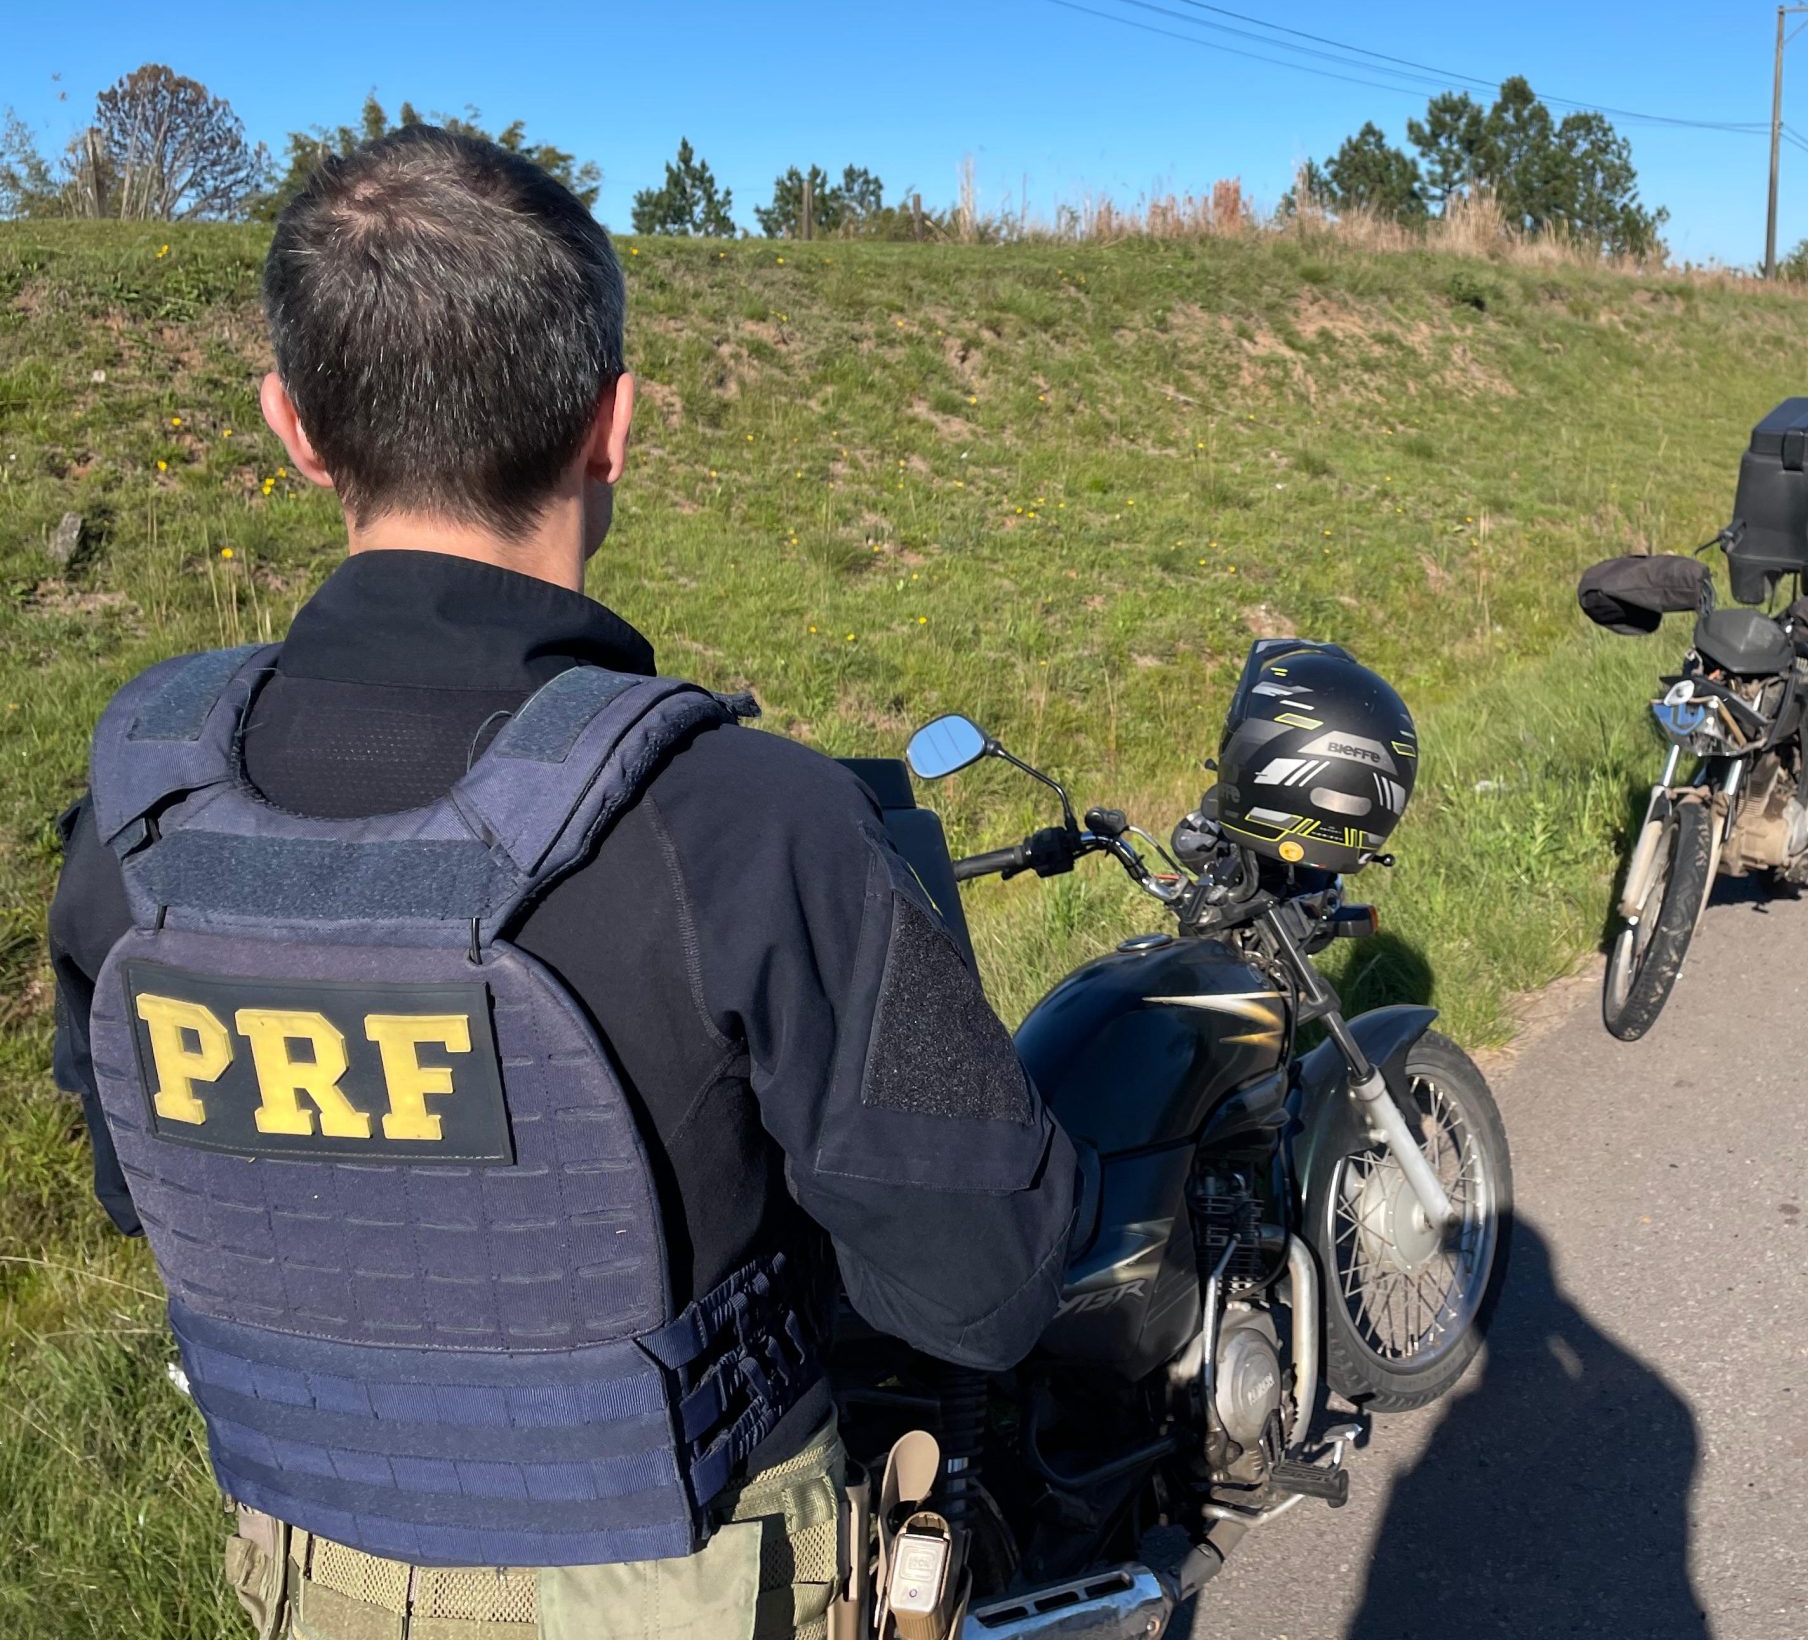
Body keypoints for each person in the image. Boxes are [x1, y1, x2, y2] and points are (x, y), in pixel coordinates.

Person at [47, 126, 1076, 1638]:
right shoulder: (750, 821)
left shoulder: (138, 819)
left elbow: (142, 1197)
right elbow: (983, 1286)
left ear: (294, 428)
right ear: (614, 425)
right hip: (688, 1589)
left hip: (307, 1583)